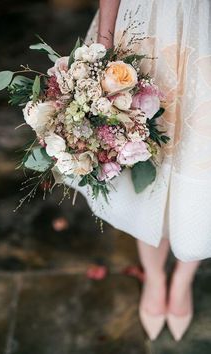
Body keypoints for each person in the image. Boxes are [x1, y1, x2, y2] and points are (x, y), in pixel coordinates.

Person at [72, 0, 211, 341]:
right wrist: (104, 45)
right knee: (140, 153)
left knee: (202, 157)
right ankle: (154, 275)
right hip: (148, 21)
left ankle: (182, 280)